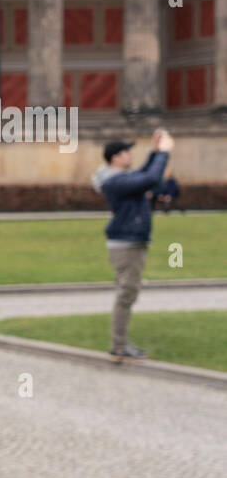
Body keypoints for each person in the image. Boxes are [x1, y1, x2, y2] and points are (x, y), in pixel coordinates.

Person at [91, 130, 174, 361]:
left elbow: (143, 174)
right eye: (127, 152)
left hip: (130, 241)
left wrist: (155, 152)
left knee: (127, 293)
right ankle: (119, 347)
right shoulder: (115, 181)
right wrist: (164, 153)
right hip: (126, 244)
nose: (130, 155)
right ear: (116, 158)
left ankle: (121, 344)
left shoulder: (120, 178)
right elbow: (150, 179)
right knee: (126, 294)